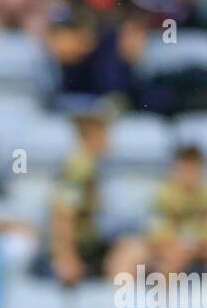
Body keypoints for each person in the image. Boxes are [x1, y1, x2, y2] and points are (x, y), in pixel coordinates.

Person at [48, 111, 143, 284]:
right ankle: (116, 305)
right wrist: (66, 257)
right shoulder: (78, 168)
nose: (110, 140)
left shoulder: (90, 165)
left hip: (89, 241)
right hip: (80, 247)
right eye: (106, 134)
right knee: (131, 251)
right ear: (93, 136)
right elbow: (63, 213)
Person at [146, 145, 207, 281]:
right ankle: (162, 300)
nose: (190, 174)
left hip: (202, 250)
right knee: (170, 260)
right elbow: (157, 236)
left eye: (195, 169)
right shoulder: (162, 197)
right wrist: (179, 247)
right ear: (175, 169)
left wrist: (198, 248)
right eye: (186, 169)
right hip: (172, 249)